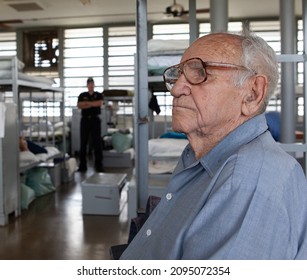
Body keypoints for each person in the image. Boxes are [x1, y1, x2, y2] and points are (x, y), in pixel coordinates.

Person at [120, 30, 307, 259]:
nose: (177, 89)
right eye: (178, 75)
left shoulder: (248, 181)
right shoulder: (203, 158)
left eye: (200, 73)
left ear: (252, 93)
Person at [77, 77, 104, 172]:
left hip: (95, 120)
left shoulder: (98, 94)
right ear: (87, 85)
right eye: (89, 84)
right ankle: (82, 165)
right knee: (83, 143)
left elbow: (99, 103)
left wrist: (87, 103)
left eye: (92, 83)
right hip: (85, 120)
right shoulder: (82, 95)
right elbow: (80, 105)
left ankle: (99, 165)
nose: (91, 85)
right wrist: (92, 103)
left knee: (97, 143)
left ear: (94, 84)